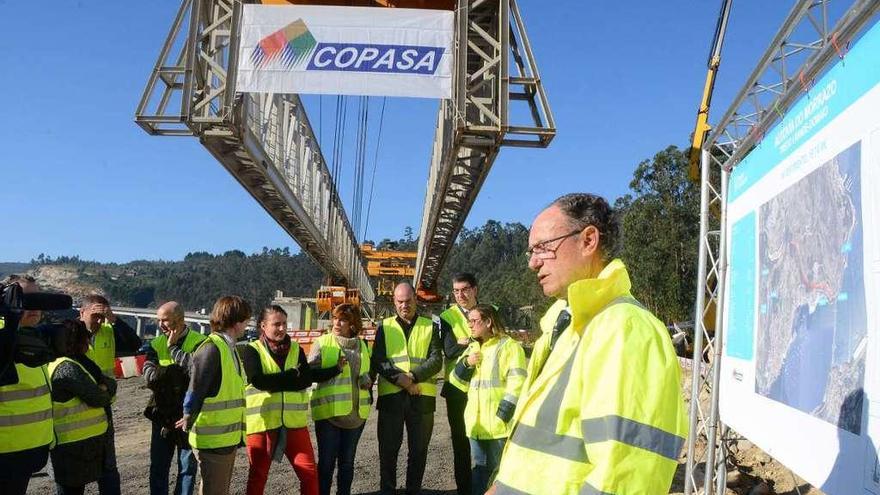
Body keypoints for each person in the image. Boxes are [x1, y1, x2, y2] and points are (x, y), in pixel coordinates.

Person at [489, 193, 689, 494]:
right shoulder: (568, 325)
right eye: (530, 252)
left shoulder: (624, 328)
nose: (532, 263)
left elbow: (623, 477)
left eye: (543, 248)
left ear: (588, 240)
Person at [239, 305, 323, 495]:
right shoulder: (251, 350)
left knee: (309, 474)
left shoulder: (296, 349)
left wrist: (279, 381)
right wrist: (292, 376)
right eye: (276, 324)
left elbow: (306, 379)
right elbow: (258, 381)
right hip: (262, 424)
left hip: (294, 423)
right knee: (258, 476)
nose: (282, 329)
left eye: (284, 324)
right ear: (263, 326)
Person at [370, 282, 443, 495]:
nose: (404, 305)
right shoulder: (384, 327)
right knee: (388, 451)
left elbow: (436, 360)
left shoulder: (429, 326)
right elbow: (379, 360)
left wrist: (412, 377)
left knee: (419, 452)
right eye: (400, 302)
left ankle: (413, 490)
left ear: (416, 300)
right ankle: (388, 491)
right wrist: (398, 379)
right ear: (394, 302)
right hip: (392, 399)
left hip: (421, 399)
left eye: (408, 301)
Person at [449, 305, 525, 495]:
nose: (470, 325)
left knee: (500, 475)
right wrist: (467, 363)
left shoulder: (510, 347)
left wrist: (502, 416)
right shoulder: (472, 348)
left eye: (474, 321)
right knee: (480, 474)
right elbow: (455, 381)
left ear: (489, 322)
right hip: (476, 426)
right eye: (469, 321)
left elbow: (518, 384)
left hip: (499, 427)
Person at [178, 296, 249, 495]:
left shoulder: (229, 349)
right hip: (213, 441)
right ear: (236, 322)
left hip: (225, 439)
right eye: (245, 321)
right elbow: (196, 388)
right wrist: (187, 414)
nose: (247, 325)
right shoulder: (211, 348)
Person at [79, 294, 141, 495]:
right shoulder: (69, 333)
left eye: (102, 316)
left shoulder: (108, 331)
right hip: (75, 406)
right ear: (82, 312)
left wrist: (114, 319)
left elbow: (134, 344)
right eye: (94, 315)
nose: (98, 321)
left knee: (108, 465)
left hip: (104, 405)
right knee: (76, 467)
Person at [308, 303, 373, 495]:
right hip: (329, 415)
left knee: (347, 463)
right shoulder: (323, 342)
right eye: (335, 318)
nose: (337, 322)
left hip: (356, 415)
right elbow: (310, 373)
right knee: (327, 463)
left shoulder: (363, 345)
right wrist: (334, 369)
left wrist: (367, 379)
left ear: (353, 324)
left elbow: (367, 371)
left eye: (343, 319)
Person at [143, 301, 206, 495]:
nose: (160, 324)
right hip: (161, 414)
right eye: (158, 320)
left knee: (187, 468)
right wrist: (174, 373)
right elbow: (148, 376)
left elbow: (199, 374)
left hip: (187, 414)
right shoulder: (156, 344)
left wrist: (164, 373)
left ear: (180, 320)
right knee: (159, 467)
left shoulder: (199, 342)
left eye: (165, 320)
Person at [48, 319, 117, 495]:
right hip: (71, 444)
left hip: (77, 444)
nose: (89, 343)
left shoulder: (74, 362)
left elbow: (104, 384)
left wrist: (104, 385)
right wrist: (105, 387)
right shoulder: (67, 367)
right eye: (86, 339)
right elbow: (98, 397)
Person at [0, 275, 53, 495]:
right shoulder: (4, 335)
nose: (33, 306)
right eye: (24, 299)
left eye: (36, 299)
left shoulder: (33, 337)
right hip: (6, 453)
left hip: (28, 450)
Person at [438, 273, 479, 495]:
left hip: (485, 387)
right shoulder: (447, 316)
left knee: (487, 441)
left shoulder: (491, 310)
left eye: (464, 289)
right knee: (461, 443)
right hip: (457, 389)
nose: (460, 295)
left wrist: (465, 341)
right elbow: (449, 350)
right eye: (456, 291)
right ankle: (464, 490)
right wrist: (474, 341)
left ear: (475, 290)